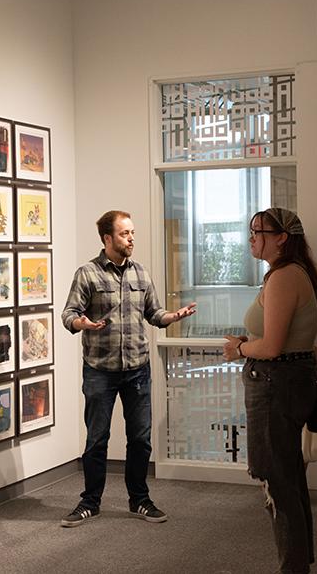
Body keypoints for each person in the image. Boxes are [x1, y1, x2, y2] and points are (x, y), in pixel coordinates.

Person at [60, 210, 196, 528]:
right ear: (107, 238)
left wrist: (172, 317)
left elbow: (154, 313)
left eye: (132, 233)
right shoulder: (88, 274)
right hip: (100, 370)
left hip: (137, 368)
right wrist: (82, 323)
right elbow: (68, 314)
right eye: (124, 234)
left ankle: (140, 500)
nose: (131, 238)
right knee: (97, 439)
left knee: (140, 439)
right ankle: (89, 502)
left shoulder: (141, 274)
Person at [220, 207, 317, 574]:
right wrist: (254, 343)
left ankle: (293, 567)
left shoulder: (283, 278)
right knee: (288, 477)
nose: (252, 238)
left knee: (278, 481)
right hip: (287, 381)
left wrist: (240, 349)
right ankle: (298, 563)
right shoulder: (295, 273)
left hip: (275, 384)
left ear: (282, 237)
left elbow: (273, 348)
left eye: (259, 231)